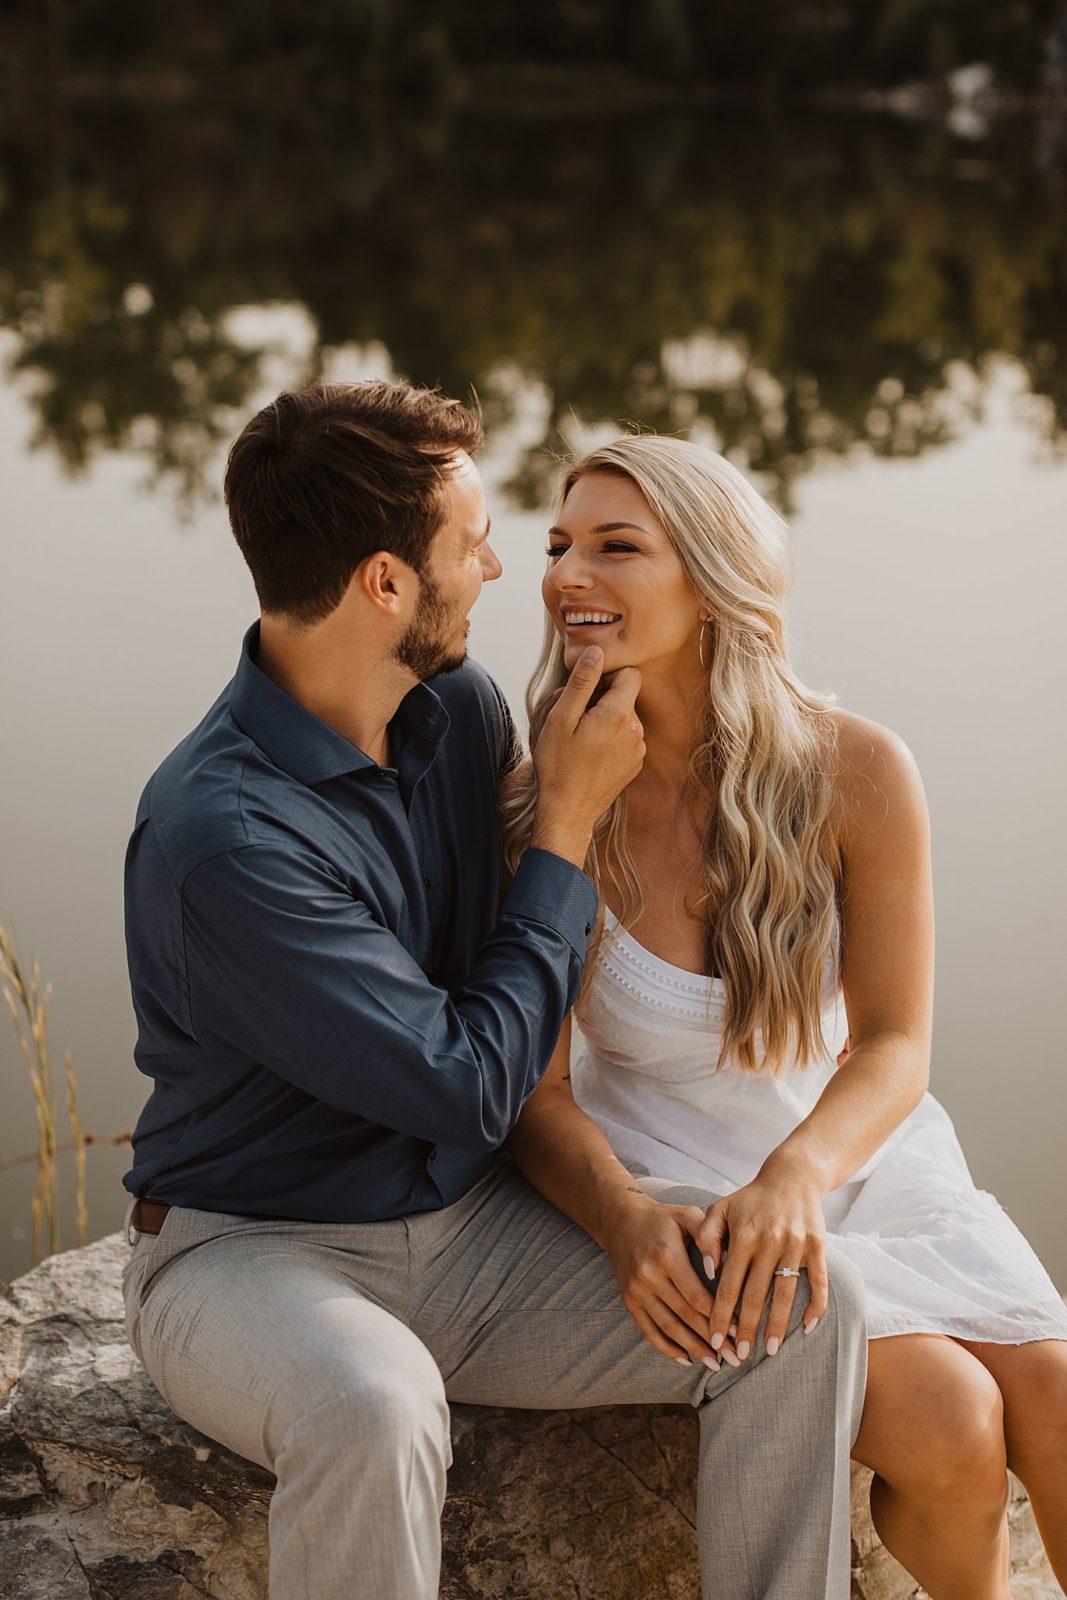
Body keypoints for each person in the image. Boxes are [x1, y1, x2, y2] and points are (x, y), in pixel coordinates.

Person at [120, 380, 869, 1600]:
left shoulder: (455, 715)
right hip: (251, 1254)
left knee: (796, 1311)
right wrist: (566, 822)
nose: (499, 568)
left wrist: (626, 1213)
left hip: (470, 1235)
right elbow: (468, 1082)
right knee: (373, 1403)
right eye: (470, 544)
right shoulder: (228, 837)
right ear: (384, 584)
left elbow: (518, 1038)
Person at [503, 433, 1067, 1600]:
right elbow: (533, 1089)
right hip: (679, 1180)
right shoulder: (540, 797)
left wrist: (799, 1171)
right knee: (955, 1422)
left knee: (1057, 1397)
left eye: (615, 546)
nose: (565, 574)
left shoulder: (855, 769)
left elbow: (896, 1043)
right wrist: (623, 1218)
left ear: (709, 582)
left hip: (841, 1152)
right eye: (558, 544)